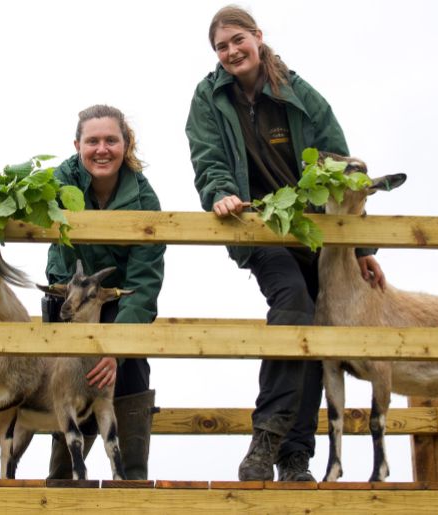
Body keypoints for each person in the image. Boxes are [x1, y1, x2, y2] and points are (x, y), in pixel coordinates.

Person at [185, 5, 386, 482]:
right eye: (221, 47)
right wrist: (220, 192)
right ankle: (267, 438)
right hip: (257, 226)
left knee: (317, 334)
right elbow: (206, 154)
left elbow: (342, 167)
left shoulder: (298, 94)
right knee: (291, 302)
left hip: (312, 233)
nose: (232, 51)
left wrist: (363, 249)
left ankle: (297, 456)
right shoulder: (209, 98)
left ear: (257, 37)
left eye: (238, 40)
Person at [39, 104, 165, 480]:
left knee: (127, 371)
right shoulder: (59, 181)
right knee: (69, 376)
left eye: (111, 140)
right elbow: (23, 204)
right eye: (92, 141)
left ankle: (132, 476)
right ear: (77, 145)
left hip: (117, 300)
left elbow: (144, 282)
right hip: (68, 300)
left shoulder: (144, 199)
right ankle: (62, 477)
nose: (102, 149)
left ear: (125, 144)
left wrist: (115, 348)